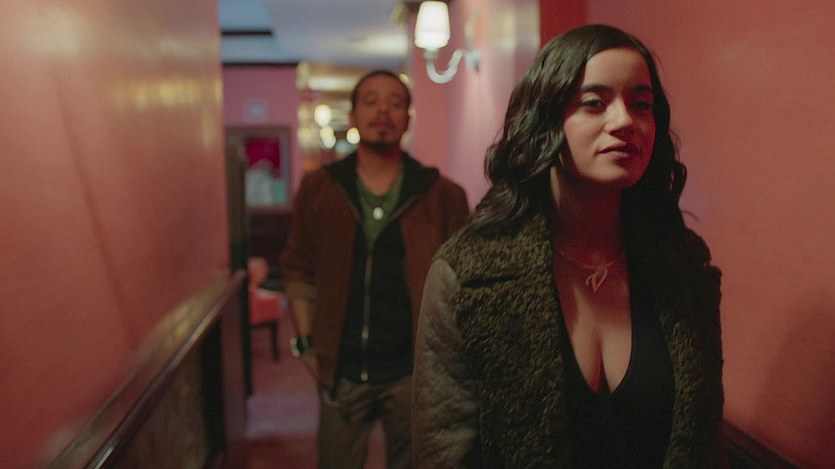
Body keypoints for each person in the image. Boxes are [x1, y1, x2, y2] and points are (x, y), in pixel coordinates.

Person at [413, 24, 723, 468]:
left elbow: (702, 437)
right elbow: (443, 450)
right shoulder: (470, 274)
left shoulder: (682, 265)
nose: (624, 122)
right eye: (594, 103)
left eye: (641, 104)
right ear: (545, 120)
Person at [280, 69, 470, 469]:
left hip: (413, 372)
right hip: (341, 369)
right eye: (370, 102)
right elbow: (298, 269)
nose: (382, 111)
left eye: (395, 103)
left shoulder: (442, 195)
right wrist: (307, 345)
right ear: (353, 116)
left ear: (407, 119)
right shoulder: (320, 189)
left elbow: (463, 283)